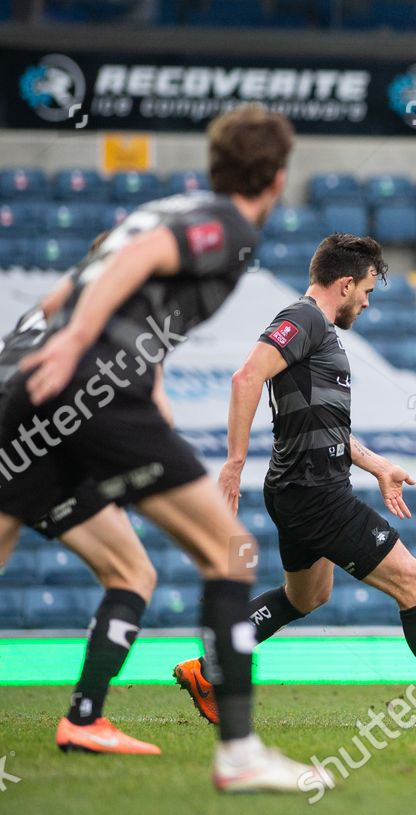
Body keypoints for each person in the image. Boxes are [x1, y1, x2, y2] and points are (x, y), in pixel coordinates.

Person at [0, 103, 324, 792]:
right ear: (274, 175)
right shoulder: (231, 226)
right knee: (228, 549)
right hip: (96, 389)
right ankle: (238, 751)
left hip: (34, 385)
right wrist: (82, 345)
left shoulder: (165, 207)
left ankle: (89, 718)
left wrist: (44, 350)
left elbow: (89, 273)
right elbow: (140, 261)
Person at [171, 234, 416, 732]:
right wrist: (234, 463)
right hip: (314, 493)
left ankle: (212, 670)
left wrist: (376, 465)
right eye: (367, 290)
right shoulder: (305, 318)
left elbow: (325, 427)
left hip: (299, 489)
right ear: (345, 283)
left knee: (307, 597)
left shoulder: (318, 333)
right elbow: (245, 378)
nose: (368, 302)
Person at [0, 232, 168, 754]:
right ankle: (84, 718)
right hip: (41, 449)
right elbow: (151, 414)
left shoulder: (44, 310)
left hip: (23, 444)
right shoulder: (127, 320)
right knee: (133, 574)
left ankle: (86, 720)